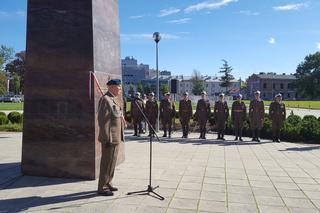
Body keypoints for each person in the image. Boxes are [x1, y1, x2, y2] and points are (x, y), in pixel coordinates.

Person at [97, 79, 124, 196]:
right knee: (106, 162)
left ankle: (108, 182)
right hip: (110, 138)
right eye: (118, 87)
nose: (120, 89)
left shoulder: (113, 100)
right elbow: (103, 121)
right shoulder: (105, 100)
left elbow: (116, 117)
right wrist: (107, 138)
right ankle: (102, 187)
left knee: (112, 162)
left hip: (116, 137)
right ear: (112, 87)